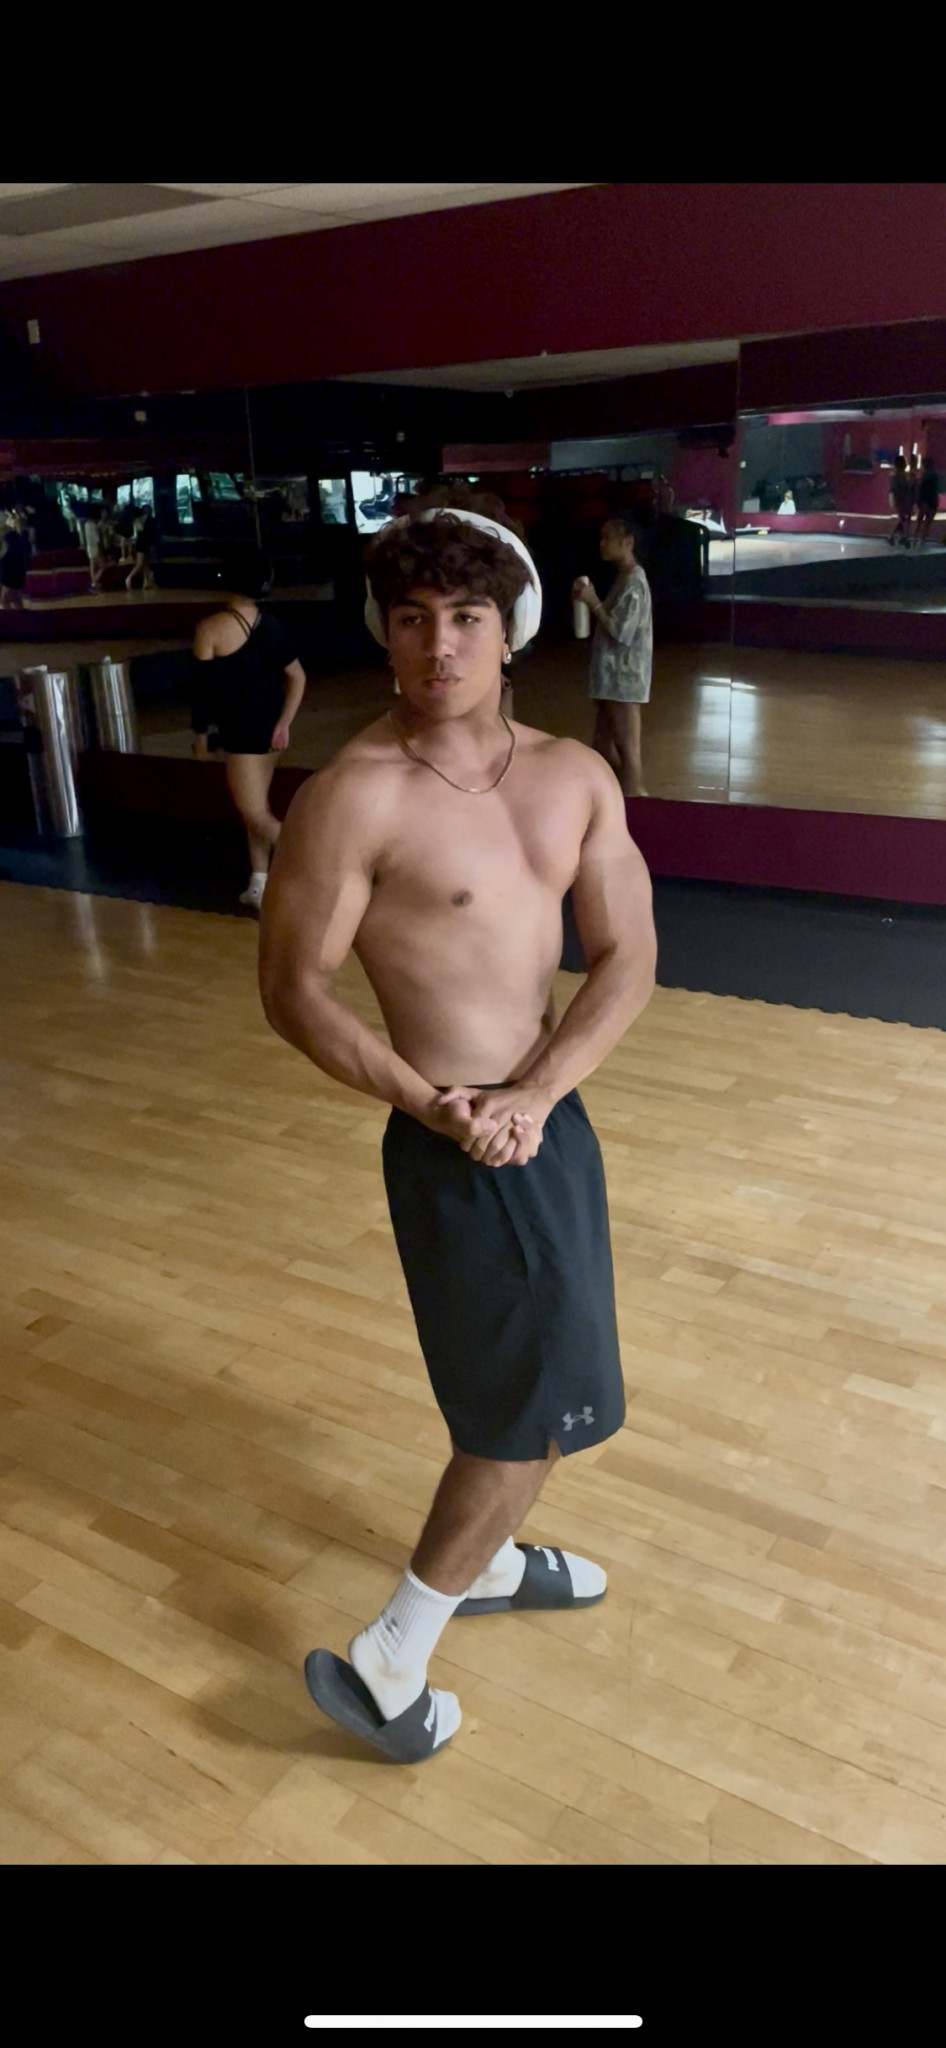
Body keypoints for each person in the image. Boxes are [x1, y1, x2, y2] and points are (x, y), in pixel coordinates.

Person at [257, 506, 656, 1764]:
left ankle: (485, 1565)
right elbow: (294, 991)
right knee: (526, 1411)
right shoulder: (352, 797)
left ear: (511, 629)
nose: (440, 646)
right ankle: (394, 1656)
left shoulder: (573, 775)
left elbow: (629, 955)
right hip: (450, 1136)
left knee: (531, 1380)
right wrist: (431, 1102)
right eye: (413, 619)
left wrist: (539, 1093)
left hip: (548, 1117)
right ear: (385, 634)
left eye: (467, 618)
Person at [191, 543, 307, 910]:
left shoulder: (211, 628)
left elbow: (202, 692)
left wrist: (200, 735)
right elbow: (298, 677)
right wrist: (285, 723)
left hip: (241, 733)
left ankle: (321, 865)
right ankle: (259, 883)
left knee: (255, 815)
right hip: (271, 730)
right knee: (257, 810)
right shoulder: (274, 626)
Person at [573, 515, 653, 799]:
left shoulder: (635, 583)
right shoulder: (625, 578)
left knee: (627, 751)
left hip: (624, 679)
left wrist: (593, 601)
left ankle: (633, 799)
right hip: (612, 678)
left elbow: (621, 632)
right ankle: (620, 796)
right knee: (602, 746)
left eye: (608, 538)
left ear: (627, 542)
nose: (602, 544)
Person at [0, 508, 31, 609]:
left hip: (11, 578)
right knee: (15, 599)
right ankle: (20, 617)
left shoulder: (10, 547)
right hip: (16, 577)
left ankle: (13, 618)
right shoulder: (16, 544)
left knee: (5, 600)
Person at [889, 455, 914, 547]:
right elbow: (897, 489)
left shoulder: (899, 475)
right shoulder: (898, 476)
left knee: (902, 519)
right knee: (902, 519)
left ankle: (899, 536)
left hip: (901, 499)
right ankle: (896, 536)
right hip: (901, 500)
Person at [915, 455, 940, 547]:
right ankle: (923, 539)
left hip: (924, 500)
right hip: (933, 499)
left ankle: (916, 537)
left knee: (920, 520)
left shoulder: (924, 476)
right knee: (928, 522)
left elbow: (920, 488)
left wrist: (918, 500)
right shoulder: (935, 475)